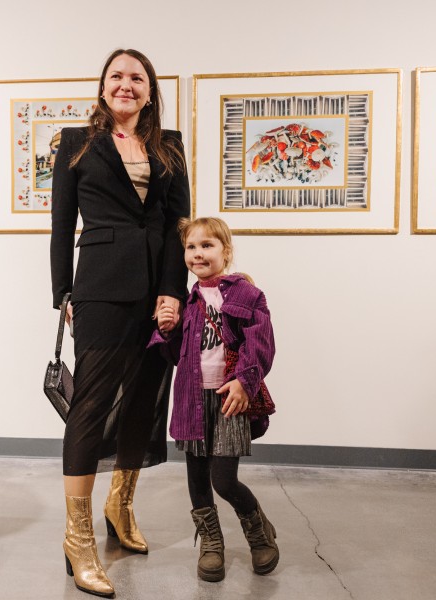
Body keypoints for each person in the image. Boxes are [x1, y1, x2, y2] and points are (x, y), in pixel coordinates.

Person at [50, 48, 190, 598]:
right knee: (90, 407)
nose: (126, 85)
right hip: (101, 288)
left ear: (150, 91)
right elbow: (62, 225)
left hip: (157, 291)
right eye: (117, 76)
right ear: (103, 87)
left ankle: (120, 505)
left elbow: (178, 225)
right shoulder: (76, 143)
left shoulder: (169, 146)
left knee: (144, 399)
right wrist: (63, 292)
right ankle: (77, 538)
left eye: (137, 78)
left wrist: (173, 291)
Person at [153, 216, 278, 583]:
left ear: (226, 251)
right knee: (196, 476)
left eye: (207, 245)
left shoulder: (248, 295)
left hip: (229, 399)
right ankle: (211, 542)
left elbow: (261, 344)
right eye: (191, 247)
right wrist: (167, 330)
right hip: (191, 398)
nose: (197, 253)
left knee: (223, 479)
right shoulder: (185, 302)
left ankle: (258, 529)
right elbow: (175, 355)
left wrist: (244, 382)